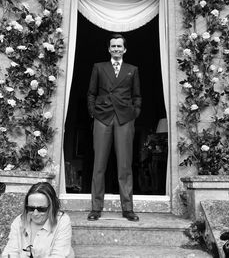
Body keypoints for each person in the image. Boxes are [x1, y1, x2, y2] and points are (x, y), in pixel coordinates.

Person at [87, 33, 142, 222]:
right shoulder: (99, 67)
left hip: (124, 119)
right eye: (113, 46)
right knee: (99, 165)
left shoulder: (132, 69)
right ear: (109, 49)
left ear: (125, 49)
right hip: (102, 117)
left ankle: (128, 208)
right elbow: (91, 93)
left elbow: (137, 96)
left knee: (125, 165)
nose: (116, 49)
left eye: (120, 46)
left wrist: (135, 113)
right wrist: (93, 112)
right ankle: (96, 208)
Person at [2, 182, 74, 258]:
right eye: (31, 208)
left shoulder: (62, 221)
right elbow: (11, 251)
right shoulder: (19, 221)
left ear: (52, 206)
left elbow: (58, 254)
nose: (35, 213)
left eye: (41, 209)